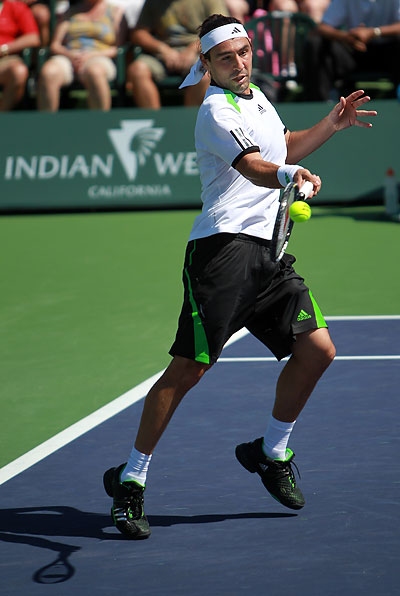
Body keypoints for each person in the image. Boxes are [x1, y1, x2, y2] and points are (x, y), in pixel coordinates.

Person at [103, 13, 377, 539]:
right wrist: (289, 175)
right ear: (206, 64)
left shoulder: (258, 99)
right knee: (189, 370)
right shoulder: (213, 109)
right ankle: (131, 479)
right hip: (221, 254)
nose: (239, 63)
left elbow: (282, 148)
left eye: (244, 52)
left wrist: (331, 125)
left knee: (318, 349)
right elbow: (254, 167)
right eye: (225, 58)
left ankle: (271, 452)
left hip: (269, 256)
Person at [125, 0, 230, 109]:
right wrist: (162, 49)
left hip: (199, 50)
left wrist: (193, 49)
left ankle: (189, 117)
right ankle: (153, 118)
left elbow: (221, 28)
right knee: (137, 70)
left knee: (205, 72)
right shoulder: (153, 2)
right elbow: (139, 33)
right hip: (163, 53)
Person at [303, 0, 400, 102]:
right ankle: (319, 103)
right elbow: (323, 27)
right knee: (316, 43)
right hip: (353, 52)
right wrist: (346, 37)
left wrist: (373, 32)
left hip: (389, 52)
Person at [36, 0, 123, 111]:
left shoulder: (114, 12)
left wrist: (91, 56)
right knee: (49, 72)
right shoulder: (69, 12)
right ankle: (46, 120)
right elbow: (55, 45)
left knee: (95, 72)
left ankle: (101, 120)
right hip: (69, 55)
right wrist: (70, 55)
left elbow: (117, 48)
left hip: (99, 55)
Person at [0, 0, 40, 111]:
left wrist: (3, 49)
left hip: (6, 59)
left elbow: (33, 38)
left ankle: (3, 114)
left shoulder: (15, 7)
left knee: (19, 71)